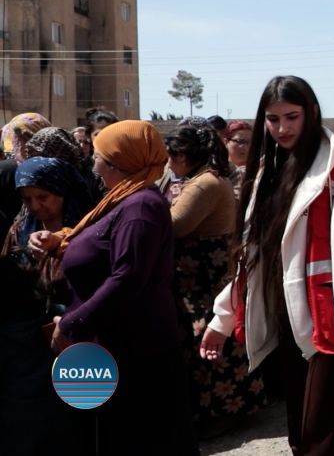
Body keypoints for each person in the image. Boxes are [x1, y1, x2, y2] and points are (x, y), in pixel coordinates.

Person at [201, 75, 334, 455]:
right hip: (287, 320)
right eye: (273, 119)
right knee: (303, 437)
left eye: (292, 116)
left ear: (312, 114)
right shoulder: (268, 172)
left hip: (329, 323)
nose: (282, 128)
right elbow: (253, 256)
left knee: (322, 439)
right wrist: (224, 317)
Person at [29, 120, 197, 455]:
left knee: (138, 438)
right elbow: (100, 239)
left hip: (135, 352)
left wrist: (73, 324)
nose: (93, 162)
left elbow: (128, 277)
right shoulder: (124, 198)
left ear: (117, 163)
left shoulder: (141, 207)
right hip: (115, 346)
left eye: (99, 156)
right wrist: (59, 238)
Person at [165, 126, 270, 438]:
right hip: (202, 272)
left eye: (171, 156)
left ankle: (225, 411)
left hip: (202, 275)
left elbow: (175, 225)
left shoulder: (204, 184)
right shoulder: (203, 180)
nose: (169, 164)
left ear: (184, 156)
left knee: (207, 339)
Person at [0, 156, 93, 455]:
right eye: (27, 199)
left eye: (44, 197)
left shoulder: (86, 224)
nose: (36, 206)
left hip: (72, 332)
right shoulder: (21, 225)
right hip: (26, 340)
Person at [223, 120, 254, 200]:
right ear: (226, 142)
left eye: (249, 142)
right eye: (240, 142)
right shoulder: (218, 171)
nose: (245, 147)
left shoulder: (259, 170)